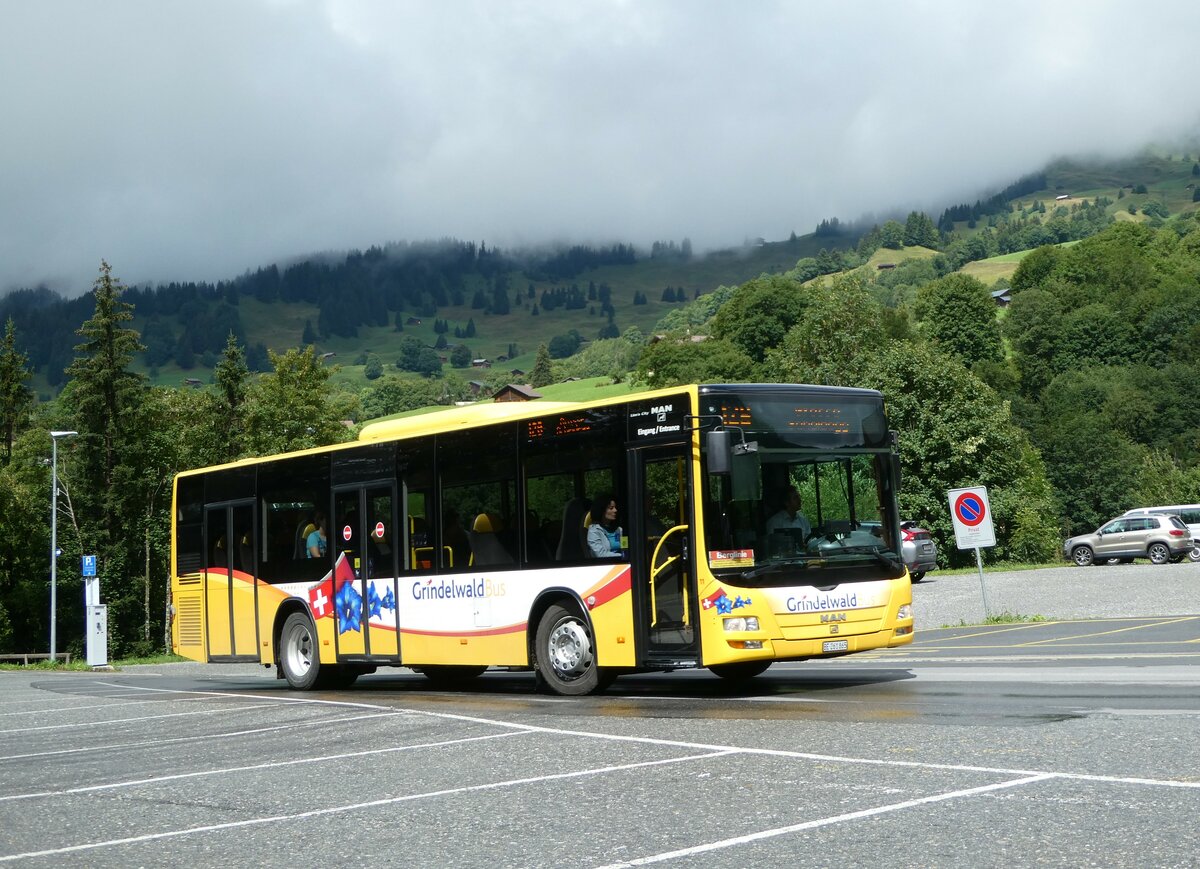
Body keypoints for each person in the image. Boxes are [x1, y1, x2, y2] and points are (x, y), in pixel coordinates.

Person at [587, 493, 623, 558]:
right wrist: (623, 556)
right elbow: (601, 554)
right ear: (601, 510)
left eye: (615, 507)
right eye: (611, 508)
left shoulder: (619, 529)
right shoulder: (594, 531)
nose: (615, 510)